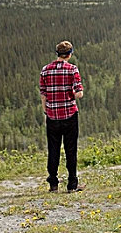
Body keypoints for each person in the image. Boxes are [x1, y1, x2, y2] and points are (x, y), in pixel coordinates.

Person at [39, 40, 84, 193]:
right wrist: (70, 93)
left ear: (57, 54)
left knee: (53, 149)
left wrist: (46, 111)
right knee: (71, 149)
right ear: (70, 54)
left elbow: (43, 95)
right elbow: (79, 93)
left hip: (52, 116)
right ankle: (72, 184)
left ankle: (53, 183)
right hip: (69, 115)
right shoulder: (72, 70)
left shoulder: (45, 70)